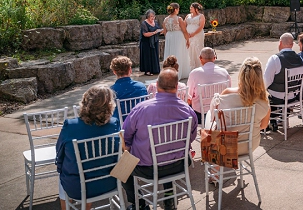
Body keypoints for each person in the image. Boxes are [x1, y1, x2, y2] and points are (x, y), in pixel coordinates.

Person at [122, 69, 198, 210]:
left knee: (122, 167)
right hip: (179, 164)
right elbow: (191, 138)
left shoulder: (140, 109)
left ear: (156, 85)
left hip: (148, 169)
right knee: (166, 151)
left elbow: (125, 138)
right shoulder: (188, 110)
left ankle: (139, 204)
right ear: (176, 86)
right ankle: (169, 197)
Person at [56, 86, 120, 210]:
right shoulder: (114, 124)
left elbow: (59, 153)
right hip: (108, 183)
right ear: (109, 105)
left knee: (62, 176)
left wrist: (61, 170)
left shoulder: (70, 126)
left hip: (77, 188)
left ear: (85, 102)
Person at [206, 57, 271, 155]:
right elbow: (263, 125)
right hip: (249, 145)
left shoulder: (227, 94)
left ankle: (215, 162)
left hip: (225, 145)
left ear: (242, 74)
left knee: (208, 116)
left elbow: (215, 119)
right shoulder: (264, 100)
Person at [264, 32, 303, 131]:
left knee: (265, 93)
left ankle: (270, 122)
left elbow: (266, 81)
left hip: (278, 96)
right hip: (293, 96)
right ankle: (280, 118)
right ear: (291, 44)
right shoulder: (300, 59)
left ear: (280, 43)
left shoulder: (275, 59)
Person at [186, 47, 231, 124]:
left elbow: (188, 97)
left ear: (200, 58)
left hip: (200, 114)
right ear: (214, 58)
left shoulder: (195, 73)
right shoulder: (224, 72)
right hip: (220, 113)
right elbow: (228, 93)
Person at [110, 56, 148, 121]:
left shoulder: (111, 91)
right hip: (140, 122)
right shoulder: (141, 87)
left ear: (114, 72)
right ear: (130, 70)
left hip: (121, 125)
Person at [163, 3, 191, 79]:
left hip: (169, 36)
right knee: (179, 53)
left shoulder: (165, 19)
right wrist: (187, 40)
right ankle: (179, 73)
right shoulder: (179, 19)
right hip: (178, 37)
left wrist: (168, 38)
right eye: (178, 9)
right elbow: (184, 30)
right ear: (175, 9)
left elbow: (164, 31)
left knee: (170, 52)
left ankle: (168, 72)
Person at [139, 9, 162, 76]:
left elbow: (158, 29)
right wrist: (154, 32)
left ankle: (155, 69)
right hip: (146, 42)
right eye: (151, 16)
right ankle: (147, 70)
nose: (152, 18)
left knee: (155, 55)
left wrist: (160, 31)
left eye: (153, 16)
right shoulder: (144, 23)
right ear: (148, 16)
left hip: (154, 41)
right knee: (147, 56)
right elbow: (145, 34)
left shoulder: (156, 22)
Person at [185, 2, 206, 70]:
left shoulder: (201, 16)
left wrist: (194, 33)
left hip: (197, 35)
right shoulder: (188, 16)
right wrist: (185, 33)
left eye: (191, 7)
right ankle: (191, 66)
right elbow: (184, 24)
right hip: (188, 36)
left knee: (197, 49)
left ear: (196, 9)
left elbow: (201, 26)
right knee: (189, 49)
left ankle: (200, 66)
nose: (190, 8)